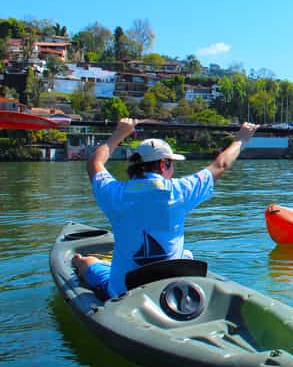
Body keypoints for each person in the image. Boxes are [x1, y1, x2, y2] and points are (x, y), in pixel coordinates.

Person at [71, 118, 258, 299]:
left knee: (87, 262)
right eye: (171, 164)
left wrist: (119, 133)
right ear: (163, 164)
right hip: (168, 287)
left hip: (123, 291)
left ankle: (79, 261)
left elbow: (94, 163)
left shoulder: (115, 194)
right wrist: (241, 139)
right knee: (186, 255)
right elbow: (221, 164)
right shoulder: (180, 191)